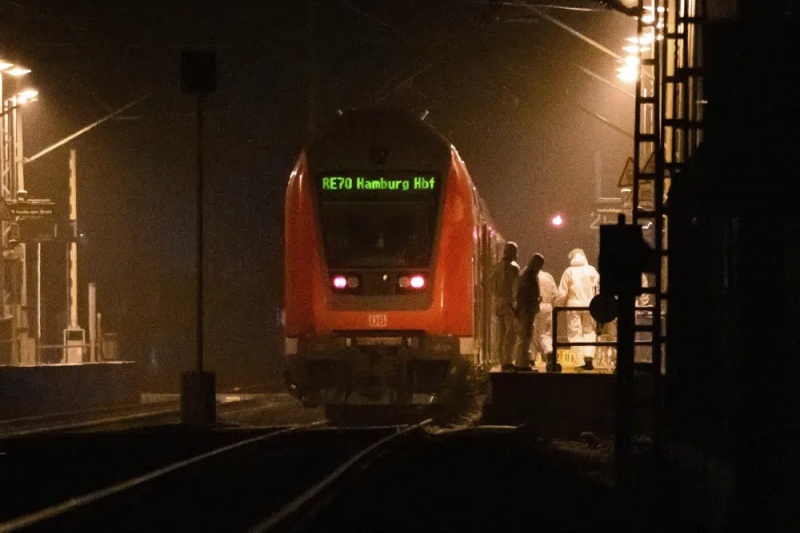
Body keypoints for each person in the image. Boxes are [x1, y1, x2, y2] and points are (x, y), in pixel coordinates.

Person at [558, 248, 600, 370]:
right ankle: (588, 358)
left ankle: (579, 362)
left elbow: (562, 292)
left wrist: (557, 305)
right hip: (590, 304)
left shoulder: (568, 271)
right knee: (589, 330)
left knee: (574, 332)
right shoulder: (592, 270)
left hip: (573, 304)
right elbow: (599, 287)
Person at [492, 241, 520, 371]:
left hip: (498, 303)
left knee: (501, 333)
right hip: (509, 303)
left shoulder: (496, 267)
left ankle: (500, 358)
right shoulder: (514, 267)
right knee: (511, 333)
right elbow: (516, 288)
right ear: (514, 252)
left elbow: (490, 285)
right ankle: (507, 360)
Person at [515, 254, 543, 371]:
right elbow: (525, 295)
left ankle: (521, 361)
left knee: (525, 336)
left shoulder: (526, 274)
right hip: (527, 310)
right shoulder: (528, 277)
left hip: (527, 309)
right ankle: (522, 363)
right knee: (525, 337)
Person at [532, 254, 559, 370]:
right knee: (546, 334)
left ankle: (530, 359)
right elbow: (556, 294)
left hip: (533, 307)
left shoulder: (529, 276)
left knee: (531, 334)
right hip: (547, 307)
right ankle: (549, 352)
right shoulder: (548, 277)